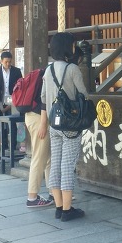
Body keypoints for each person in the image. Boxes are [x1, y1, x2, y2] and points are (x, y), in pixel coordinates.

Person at [40, 32, 88, 221]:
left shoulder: (48, 70)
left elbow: (43, 98)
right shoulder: (73, 69)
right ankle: (68, 210)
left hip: (54, 124)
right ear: (68, 47)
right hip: (70, 125)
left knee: (56, 164)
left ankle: (59, 207)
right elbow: (83, 95)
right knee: (68, 165)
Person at [24, 68, 53, 207]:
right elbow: (44, 101)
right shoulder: (46, 77)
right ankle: (32, 197)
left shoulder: (39, 75)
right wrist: (43, 124)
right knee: (39, 157)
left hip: (31, 116)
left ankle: (53, 191)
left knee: (47, 158)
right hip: (39, 118)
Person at [0, 51, 22, 159]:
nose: (8, 64)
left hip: (12, 99)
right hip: (1, 99)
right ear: (1, 61)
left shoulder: (17, 71)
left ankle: (12, 145)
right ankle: (3, 144)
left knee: (12, 123)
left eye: (10, 62)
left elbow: (20, 86)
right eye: (6, 62)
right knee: (1, 123)